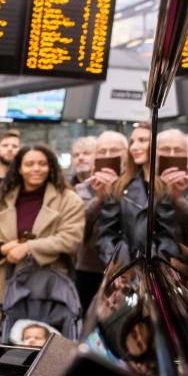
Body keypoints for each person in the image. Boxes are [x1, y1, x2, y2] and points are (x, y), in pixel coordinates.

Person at [0, 143, 85, 343]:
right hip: (6, 282)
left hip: (50, 288)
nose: (36, 169)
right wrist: (1, 248)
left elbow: (71, 238)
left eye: (42, 164)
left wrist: (28, 247)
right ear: (19, 168)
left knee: (50, 349)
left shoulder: (68, 200)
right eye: (29, 164)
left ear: (51, 167)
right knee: (4, 341)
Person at [97, 126, 184, 264]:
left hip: (159, 268)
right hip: (126, 268)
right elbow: (107, 234)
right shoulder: (119, 186)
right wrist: (115, 263)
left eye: (142, 140)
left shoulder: (168, 185)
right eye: (132, 142)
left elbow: (170, 235)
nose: (134, 147)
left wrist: (161, 263)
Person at [74, 131, 126, 315]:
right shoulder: (82, 188)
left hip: (125, 269)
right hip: (89, 268)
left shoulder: (135, 186)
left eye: (114, 151)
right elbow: (79, 231)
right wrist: (99, 200)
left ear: (126, 155)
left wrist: (118, 195)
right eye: (102, 151)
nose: (108, 156)